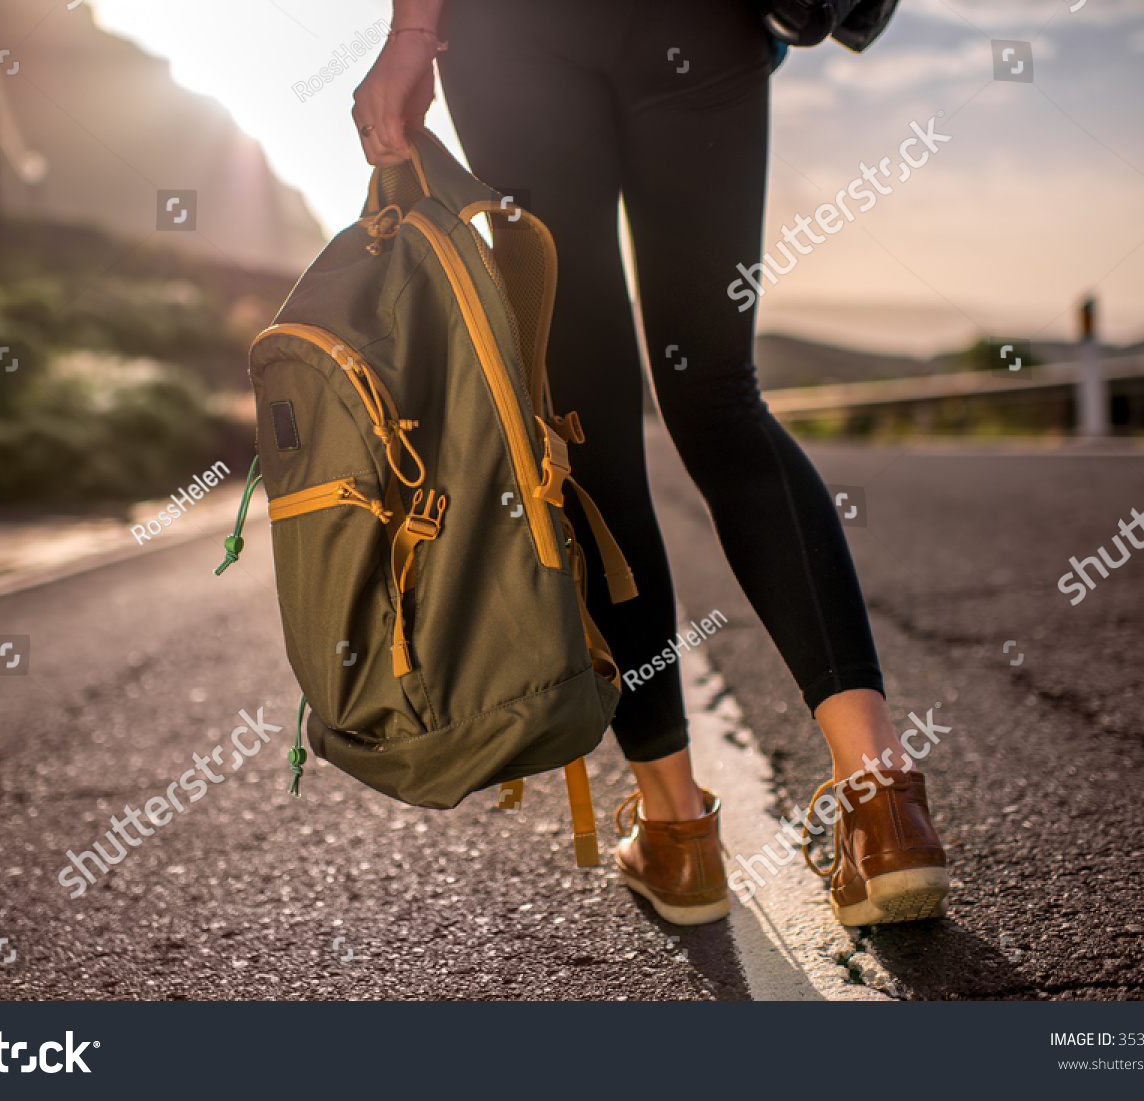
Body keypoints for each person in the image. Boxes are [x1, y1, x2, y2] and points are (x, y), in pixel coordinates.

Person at [351, 0, 948, 928]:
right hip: (701, 24)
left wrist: (410, 36)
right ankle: (882, 800)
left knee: (586, 427)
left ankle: (673, 829)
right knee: (717, 396)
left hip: (519, 35)